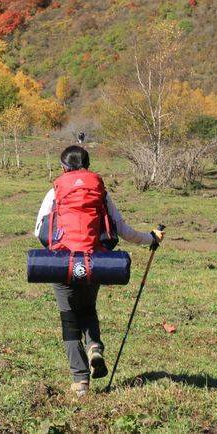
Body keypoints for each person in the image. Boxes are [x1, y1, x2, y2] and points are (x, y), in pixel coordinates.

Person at [33, 145, 165, 397]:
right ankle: (94, 346)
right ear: (88, 165)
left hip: (63, 264)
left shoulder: (55, 191)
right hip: (94, 263)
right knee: (88, 309)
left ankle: (80, 381)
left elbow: (39, 231)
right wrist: (150, 238)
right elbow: (123, 231)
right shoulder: (100, 193)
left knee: (69, 318)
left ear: (63, 167)